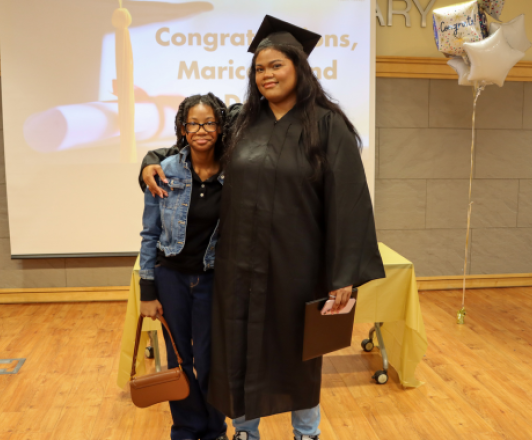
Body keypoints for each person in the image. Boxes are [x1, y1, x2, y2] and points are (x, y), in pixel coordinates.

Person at [140, 16, 386, 440]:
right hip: (237, 267)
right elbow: (191, 144)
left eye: (276, 66)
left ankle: (306, 432)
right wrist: (150, 161)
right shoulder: (242, 123)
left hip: (297, 269)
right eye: (259, 68)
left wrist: (344, 275)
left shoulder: (327, 126)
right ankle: (246, 432)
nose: (266, 75)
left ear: (299, 69)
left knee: (299, 355)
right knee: (236, 349)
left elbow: (350, 203)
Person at [139, 93, 229, 440]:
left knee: (209, 362)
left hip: (212, 280)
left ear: (220, 128)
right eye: (194, 123)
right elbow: (150, 233)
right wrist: (148, 291)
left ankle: (214, 428)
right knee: (179, 360)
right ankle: (187, 428)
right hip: (171, 278)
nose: (201, 129)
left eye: (209, 122)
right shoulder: (164, 170)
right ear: (182, 128)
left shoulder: (235, 172)